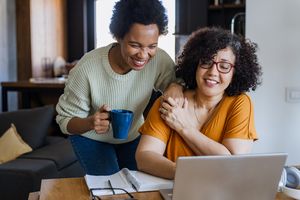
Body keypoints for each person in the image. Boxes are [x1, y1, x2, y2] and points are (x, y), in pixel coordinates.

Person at [56, 0, 182, 175]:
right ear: (118, 36)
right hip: (91, 138)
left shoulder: (159, 60)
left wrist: (176, 85)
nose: (143, 55)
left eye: (152, 46)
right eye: (135, 45)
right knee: (110, 188)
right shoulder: (87, 69)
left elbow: (179, 82)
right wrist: (90, 122)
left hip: (132, 136)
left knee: (141, 184)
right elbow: (64, 121)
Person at [135, 27, 262, 179]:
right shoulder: (171, 102)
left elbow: (233, 164)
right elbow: (144, 157)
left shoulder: (240, 103)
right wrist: (183, 173)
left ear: (236, 72)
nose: (213, 72)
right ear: (195, 64)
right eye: (206, 62)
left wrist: (184, 127)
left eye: (224, 66)